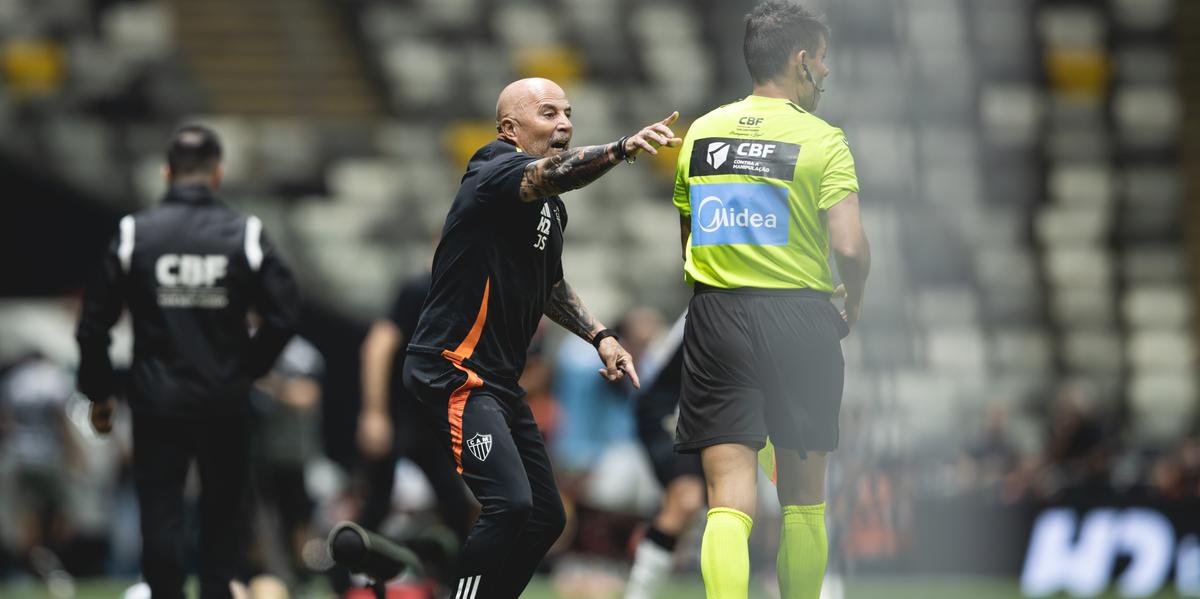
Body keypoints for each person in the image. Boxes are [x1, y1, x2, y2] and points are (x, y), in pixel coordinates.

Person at [402, 77, 681, 599]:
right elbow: (550, 173)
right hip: (453, 368)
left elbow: (550, 285)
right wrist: (622, 148)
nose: (565, 124)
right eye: (549, 113)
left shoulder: (551, 208)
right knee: (510, 504)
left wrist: (600, 336)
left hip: (498, 382)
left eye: (568, 113)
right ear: (510, 128)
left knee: (547, 516)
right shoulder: (491, 168)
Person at [670, 3, 871, 598]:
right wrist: (855, 300)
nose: (826, 71)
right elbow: (851, 248)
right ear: (801, 60)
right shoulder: (823, 139)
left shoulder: (701, 133)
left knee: (728, 500)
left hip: (717, 317)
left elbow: (688, 234)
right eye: (823, 59)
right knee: (803, 501)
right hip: (800, 319)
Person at [75, 125, 301, 599]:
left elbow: (94, 324)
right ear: (217, 173)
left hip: (156, 401)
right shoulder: (246, 234)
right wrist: (247, 368)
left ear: (166, 173)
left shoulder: (134, 233)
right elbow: (284, 314)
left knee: (161, 515)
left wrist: (99, 393)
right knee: (222, 517)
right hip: (224, 400)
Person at [356, 269, 474, 541]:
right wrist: (374, 413)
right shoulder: (421, 289)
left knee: (456, 504)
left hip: (429, 418)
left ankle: (452, 568)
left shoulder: (466, 293)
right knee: (378, 504)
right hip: (397, 414)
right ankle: (345, 565)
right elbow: (377, 347)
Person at [624, 314, 705, 599]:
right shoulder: (711, 302)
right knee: (685, 499)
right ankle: (638, 593)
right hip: (670, 410)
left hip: (710, 416)